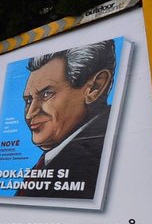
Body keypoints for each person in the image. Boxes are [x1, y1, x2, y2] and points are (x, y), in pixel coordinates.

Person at [15, 40, 115, 199]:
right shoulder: (54, 159)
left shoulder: (102, 158)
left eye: (46, 94)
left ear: (95, 87)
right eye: (28, 100)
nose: (30, 114)